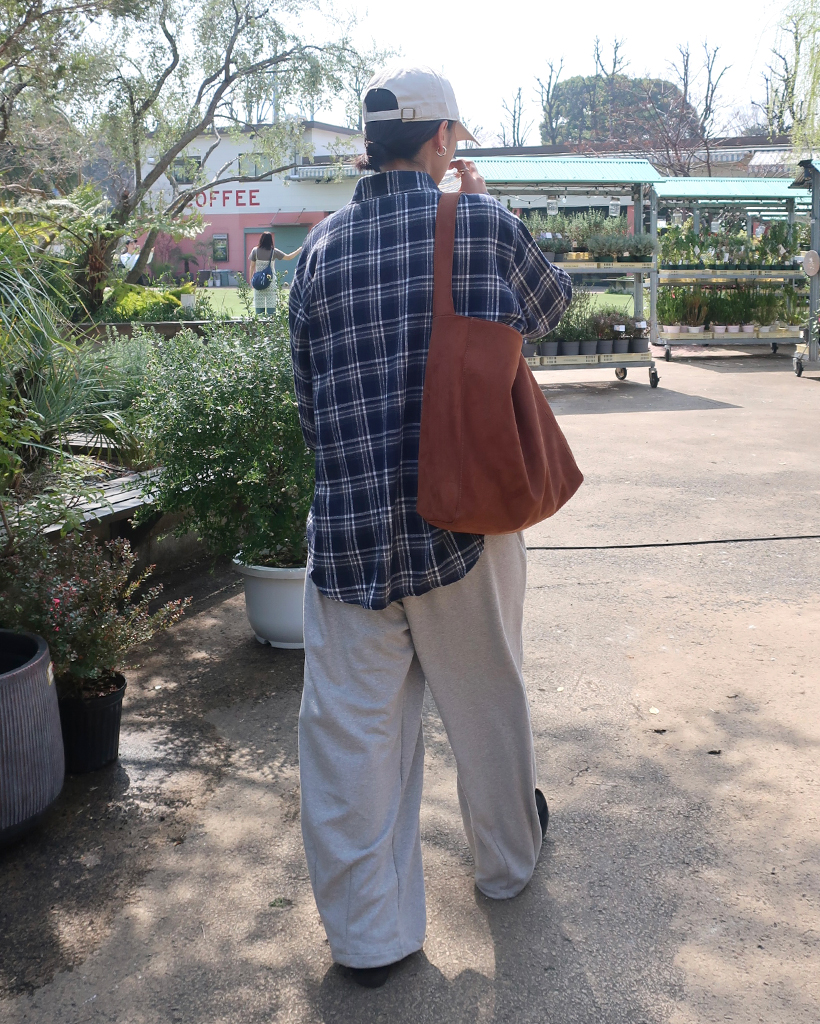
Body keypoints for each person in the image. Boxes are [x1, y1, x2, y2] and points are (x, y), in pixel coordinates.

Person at [289, 65, 572, 989]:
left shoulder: (317, 251)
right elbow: (552, 308)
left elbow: (309, 404)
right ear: (441, 138)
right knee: (487, 707)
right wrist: (481, 211)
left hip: (349, 534)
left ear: (370, 145)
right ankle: (506, 864)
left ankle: (368, 941)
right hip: (465, 521)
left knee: (351, 744)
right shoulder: (479, 223)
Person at [248, 231, 301, 316]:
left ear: (261, 239)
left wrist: (251, 280)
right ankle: (271, 323)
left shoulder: (255, 251)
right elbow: (289, 257)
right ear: (270, 240)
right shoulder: (273, 252)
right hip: (271, 282)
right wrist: (300, 249)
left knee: (259, 309)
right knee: (271, 308)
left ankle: (260, 323)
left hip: (259, 281)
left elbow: (252, 266)